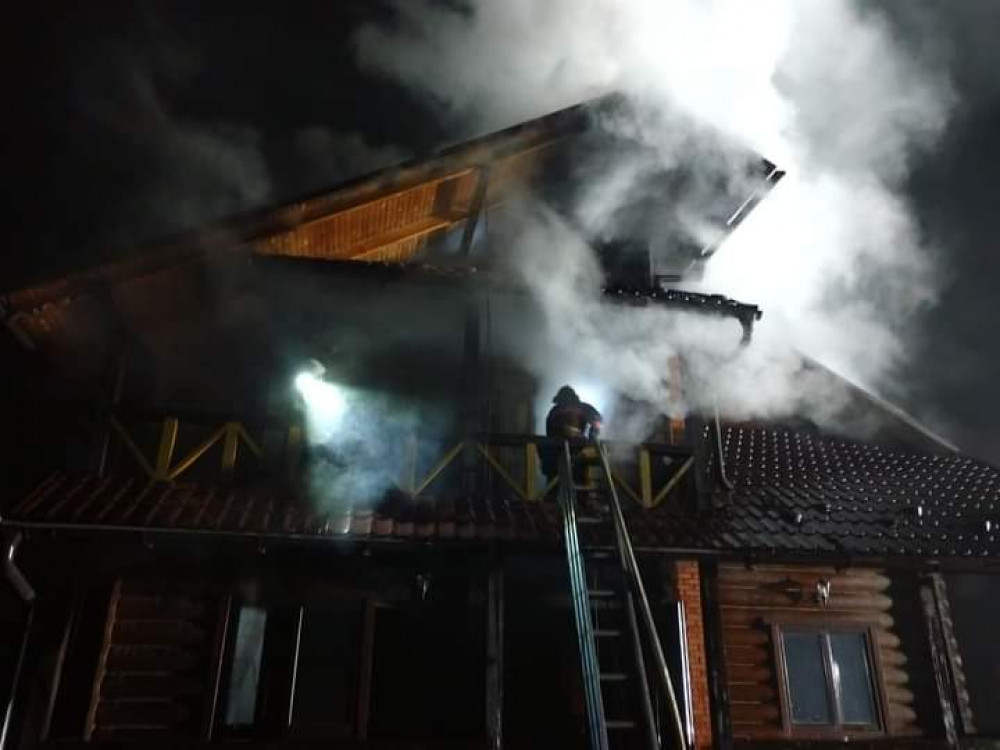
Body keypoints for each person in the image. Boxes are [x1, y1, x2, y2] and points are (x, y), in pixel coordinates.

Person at [540, 385, 603, 483]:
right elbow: (597, 422)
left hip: (566, 453)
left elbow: (597, 422)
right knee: (571, 480)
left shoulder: (556, 411)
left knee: (562, 482)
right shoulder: (559, 410)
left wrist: (590, 441)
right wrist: (590, 440)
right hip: (564, 452)